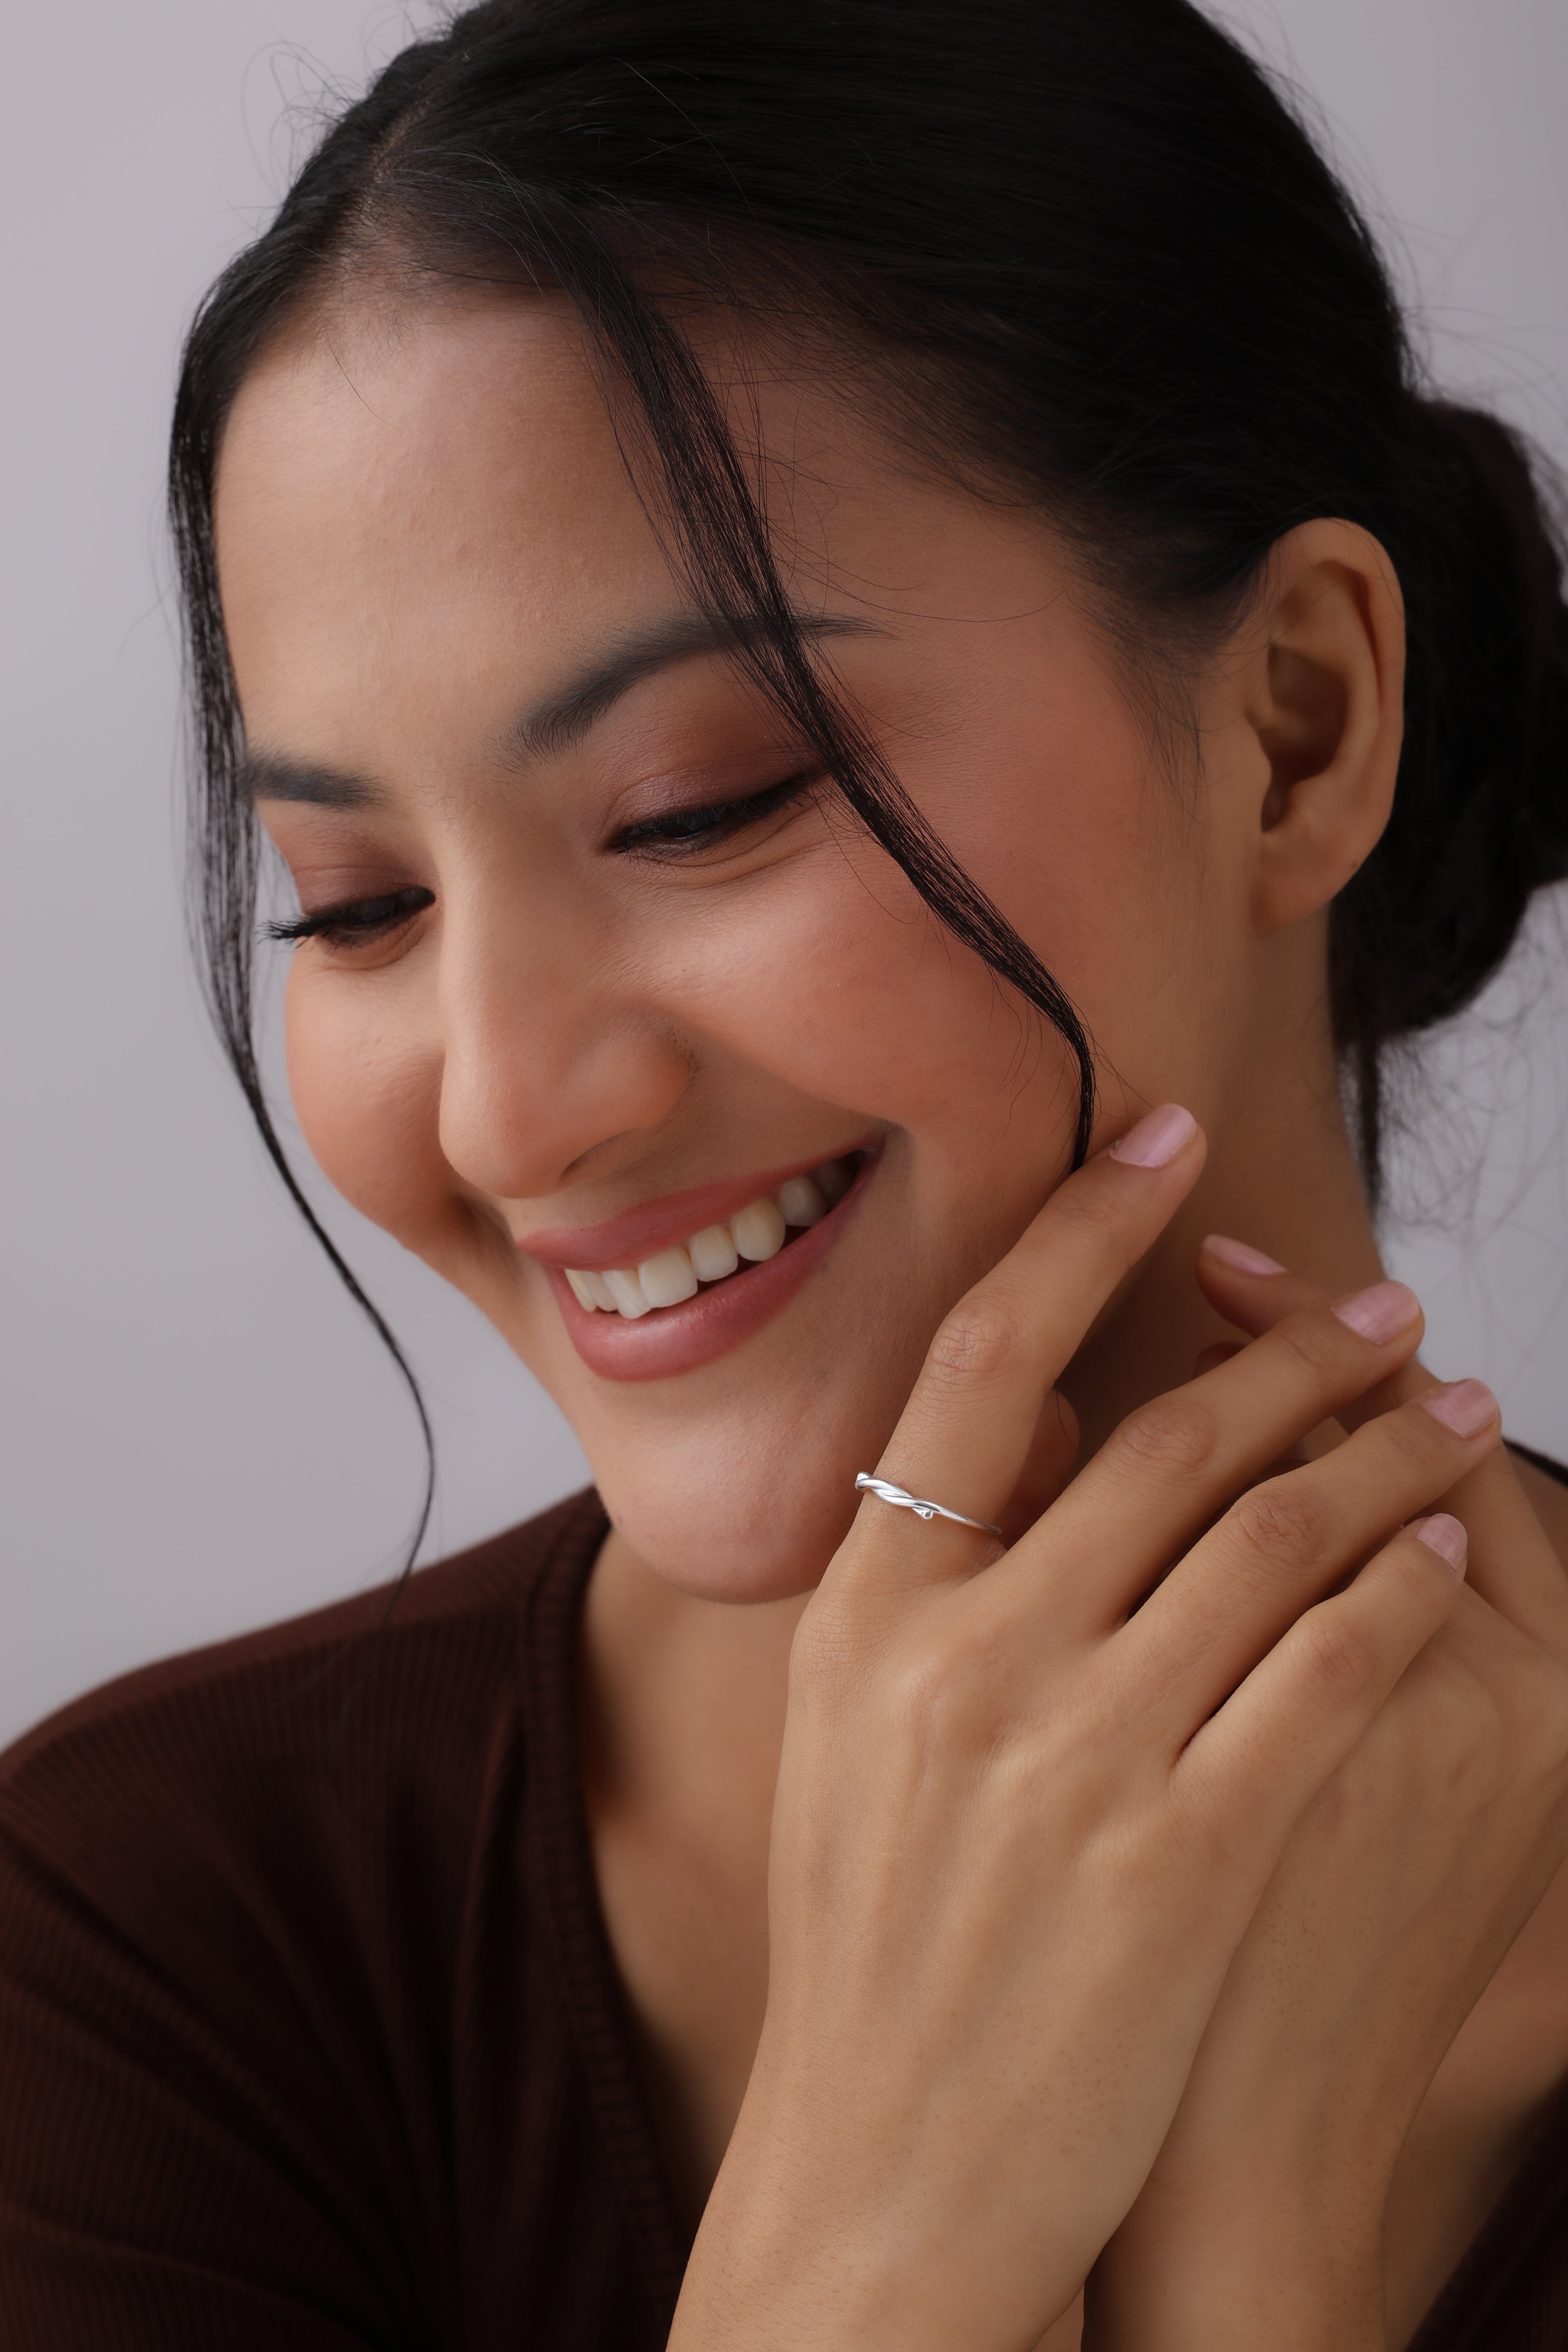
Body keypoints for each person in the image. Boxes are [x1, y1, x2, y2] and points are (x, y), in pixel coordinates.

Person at [4, 0, 1568, 2343]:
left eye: (698, 806)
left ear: (1297, 724)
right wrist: (910, 2225)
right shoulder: (139, 1950)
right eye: (358, 905)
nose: (507, 1114)